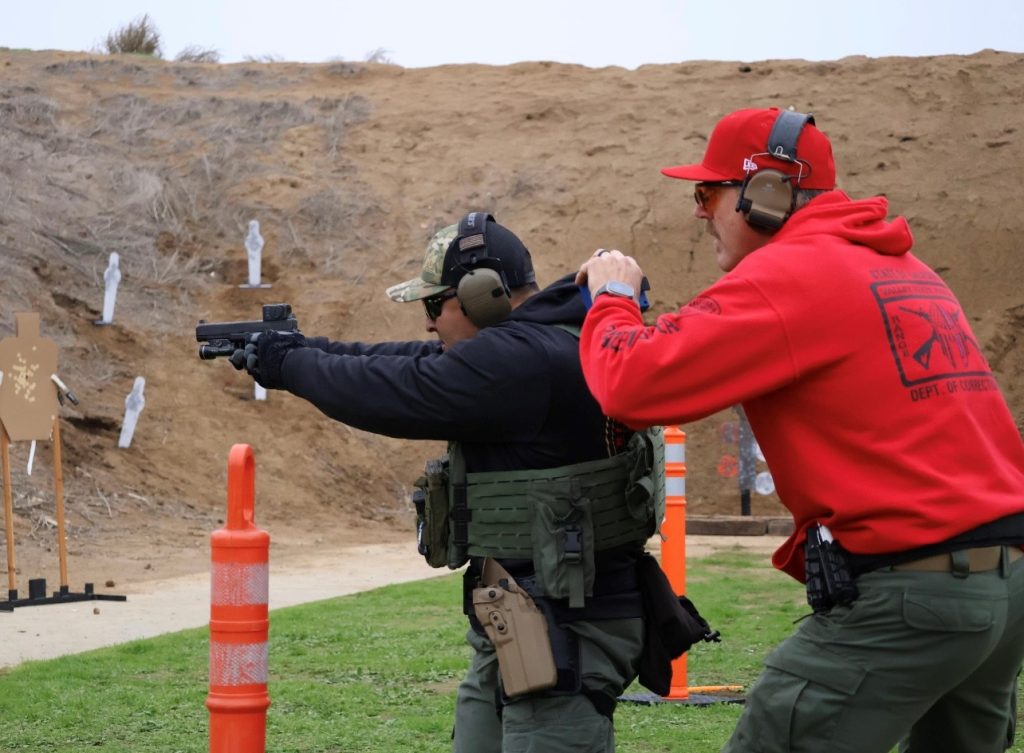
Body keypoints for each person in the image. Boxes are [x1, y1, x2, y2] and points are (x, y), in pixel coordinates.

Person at [575, 107, 1024, 753]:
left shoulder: (792, 275)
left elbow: (634, 385)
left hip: (916, 591)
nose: (700, 211)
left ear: (767, 194)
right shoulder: (906, 271)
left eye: (709, 192)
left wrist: (611, 297)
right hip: (1002, 585)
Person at [229, 212, 668, 753]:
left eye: (435, 305)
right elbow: (405, 359)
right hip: (523, 616)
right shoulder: (551, 338)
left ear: (481, 295)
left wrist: (291, 366)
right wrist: (298, 350)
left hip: (570, 626)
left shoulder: (522, 359)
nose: (430, 323)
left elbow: (401, 389)